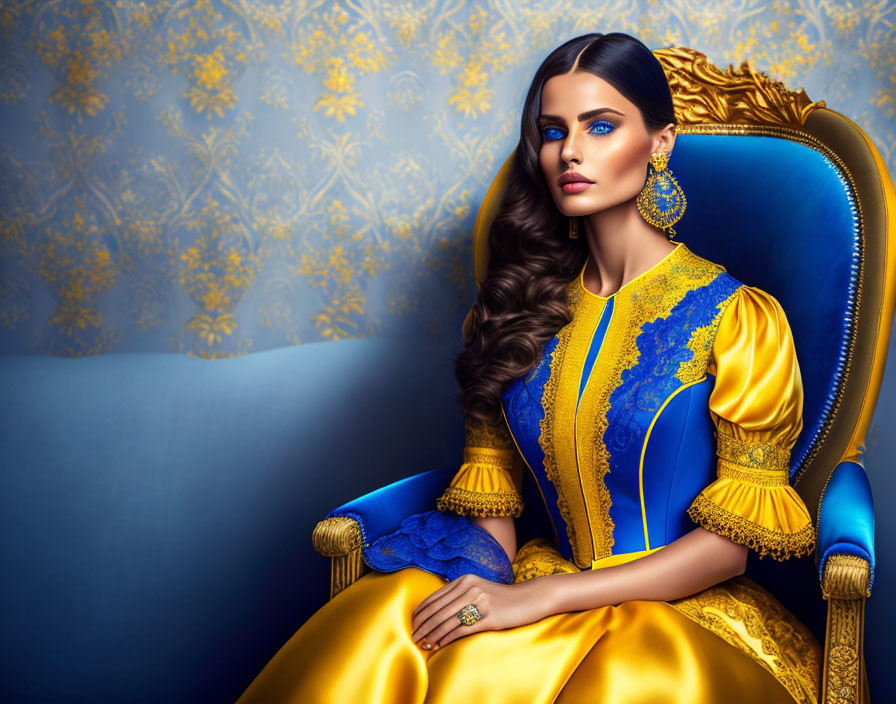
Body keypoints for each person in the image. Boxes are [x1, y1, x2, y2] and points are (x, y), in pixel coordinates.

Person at [237, 32, 822, 704]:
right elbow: (496, 510)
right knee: (391, 621)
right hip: (539, 583)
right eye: (553, 131)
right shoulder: (513, 311)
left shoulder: (740, 319)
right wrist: (481, 592)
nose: (570, 151)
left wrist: (546, 597)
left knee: (629, 679)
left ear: (660, 143)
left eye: (601, 127)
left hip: (676, 614)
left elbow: (728, 549)